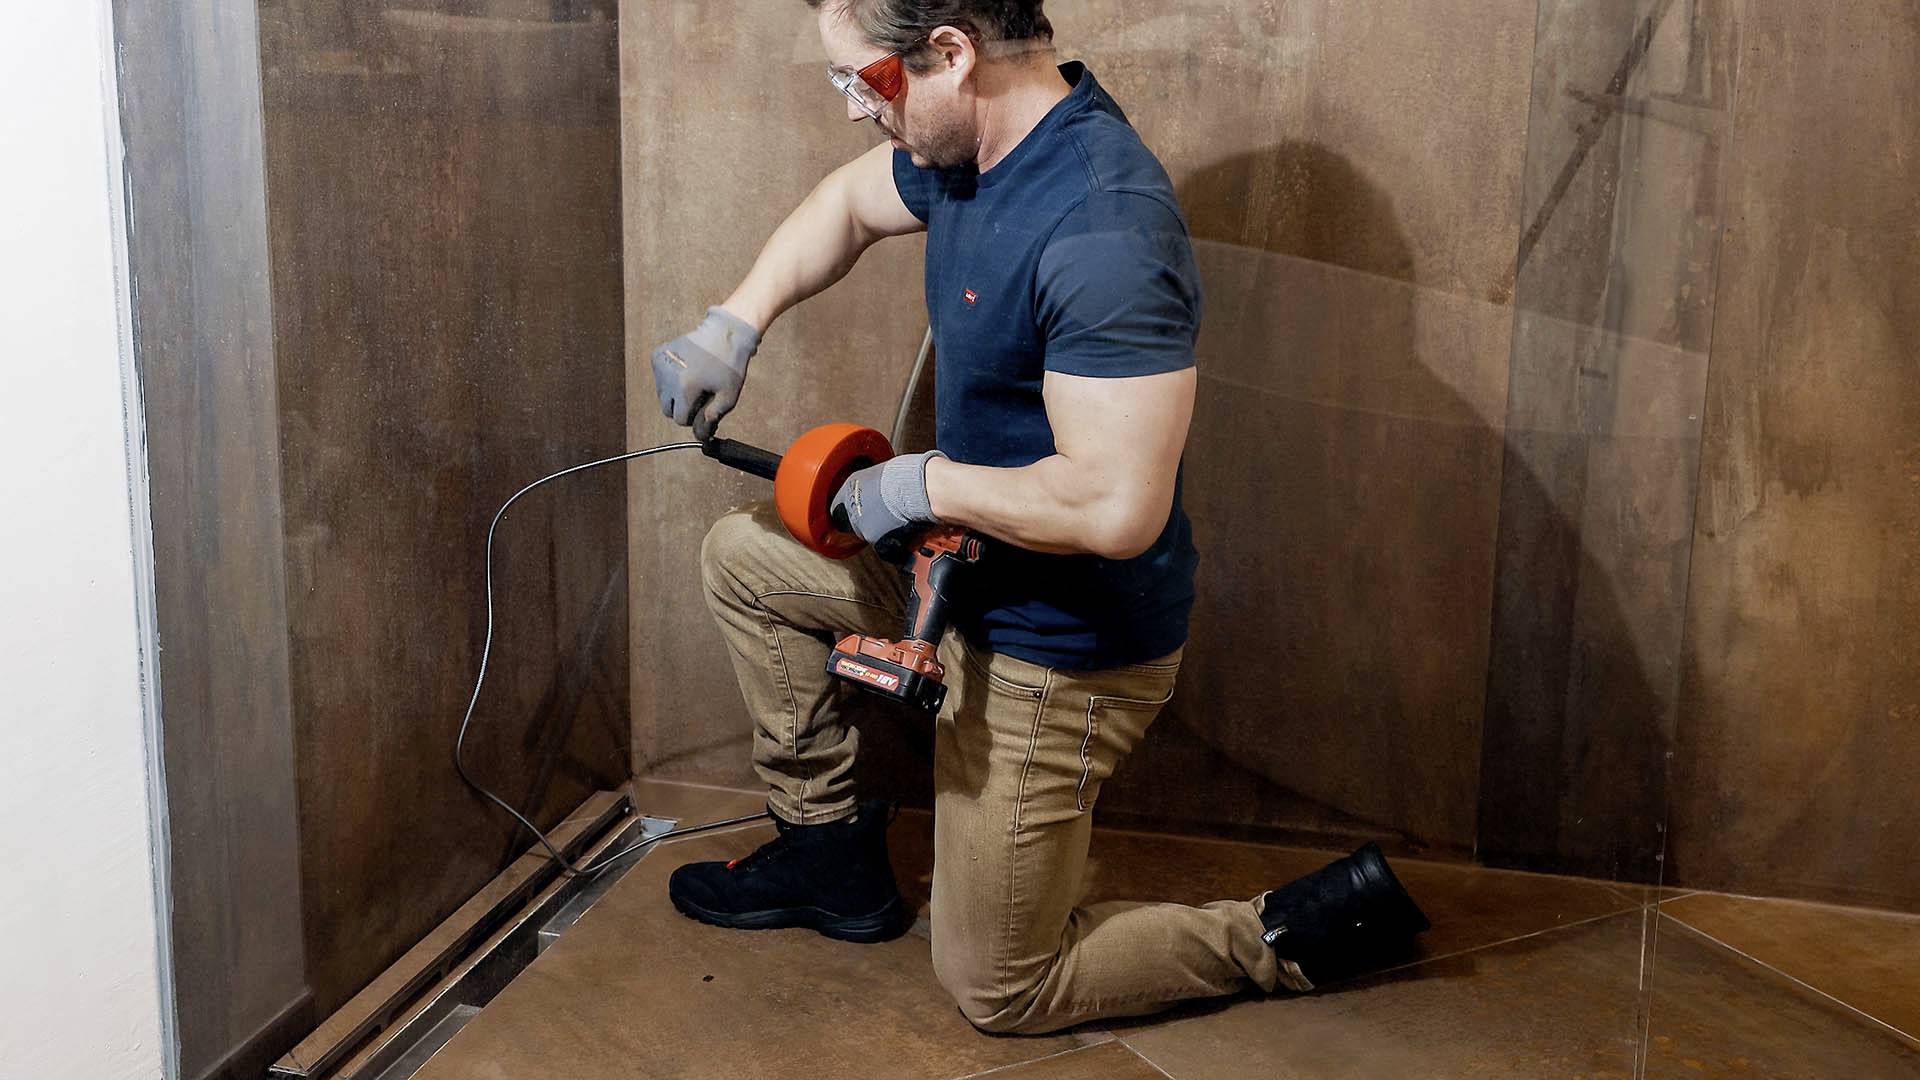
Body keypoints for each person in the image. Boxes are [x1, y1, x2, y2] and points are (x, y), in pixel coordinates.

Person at [647, 0, 1429, 1034]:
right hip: (963, 574)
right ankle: (826, 854)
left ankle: (1285, 935)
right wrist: (733, 323)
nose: (853, 109)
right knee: (744, 558)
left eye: (864, 81)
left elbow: (1116, 508)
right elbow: (847, 204)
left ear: (952, 52)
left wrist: (921, 487)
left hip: (1058, 643)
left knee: (1000, 984)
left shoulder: (1104, 227)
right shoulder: (970, 149)